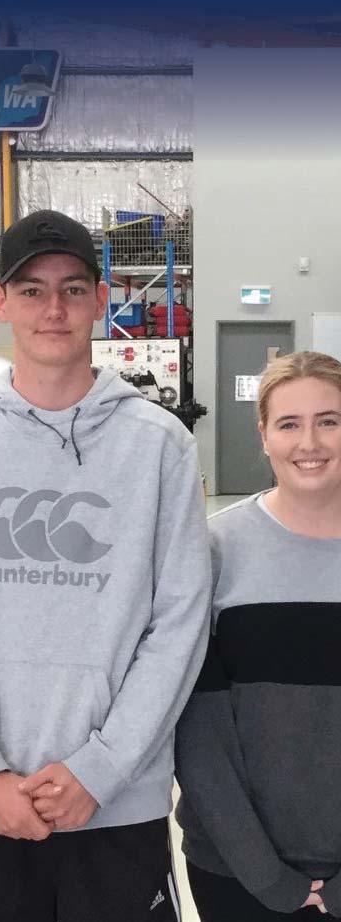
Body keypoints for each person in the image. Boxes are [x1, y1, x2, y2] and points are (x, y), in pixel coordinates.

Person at [0, 209, 211, 922]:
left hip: (118, 810)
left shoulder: (160, 446)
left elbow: (179, 626)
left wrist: (100, 769)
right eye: (31, 290)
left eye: (72, 289)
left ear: (100, 300)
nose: (54, 309)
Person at [175, 351, 341, 921]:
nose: (309, 442)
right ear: (264, 435)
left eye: (329, 421)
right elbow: (198, 733)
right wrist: (264, 875)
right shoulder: (213, 552)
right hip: (235, 872)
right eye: (289, 424)